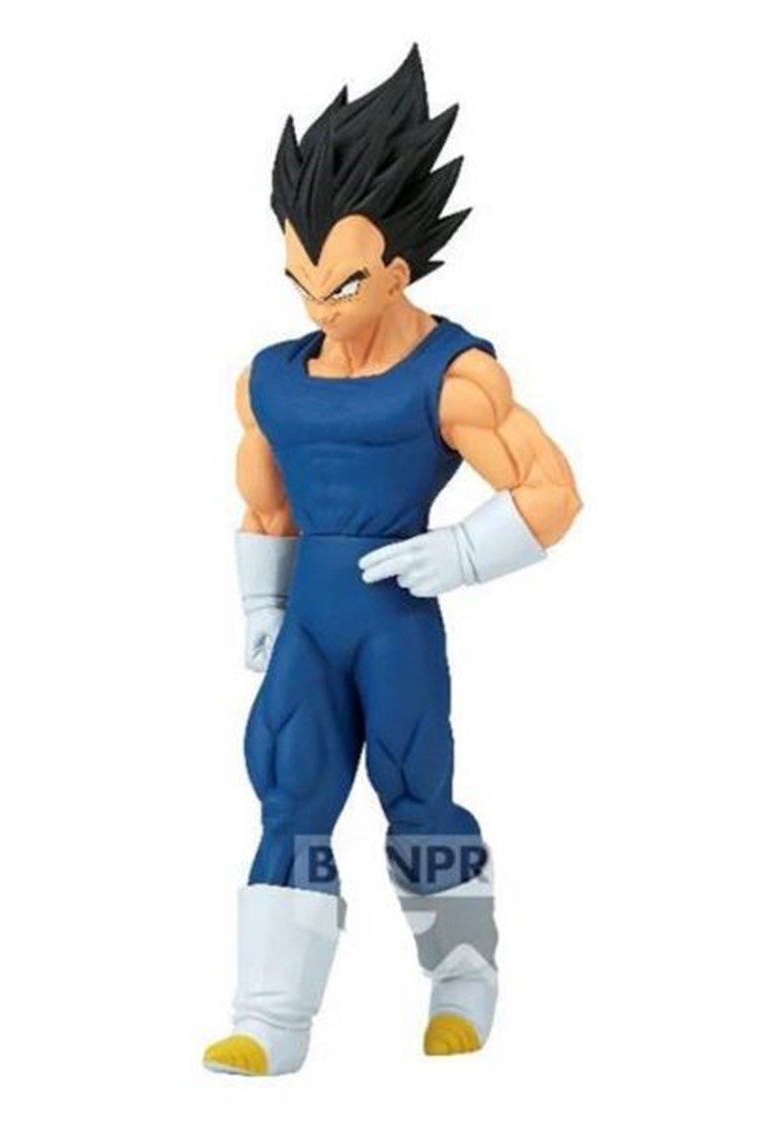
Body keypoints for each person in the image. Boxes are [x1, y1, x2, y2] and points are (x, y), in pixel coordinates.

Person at [203, 43, 581, 1077]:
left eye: (343, 282)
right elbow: (264, 503)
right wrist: (259, 605)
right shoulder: (270, 380)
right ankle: (268, 1017)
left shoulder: (452, 374)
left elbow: (552, 492)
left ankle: (463, 976)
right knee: (288, 787)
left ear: (399, 270)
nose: (318, 305)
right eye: (299, 279)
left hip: (395, 622)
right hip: (311, 623)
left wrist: (461, 551)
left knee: (417, 792)